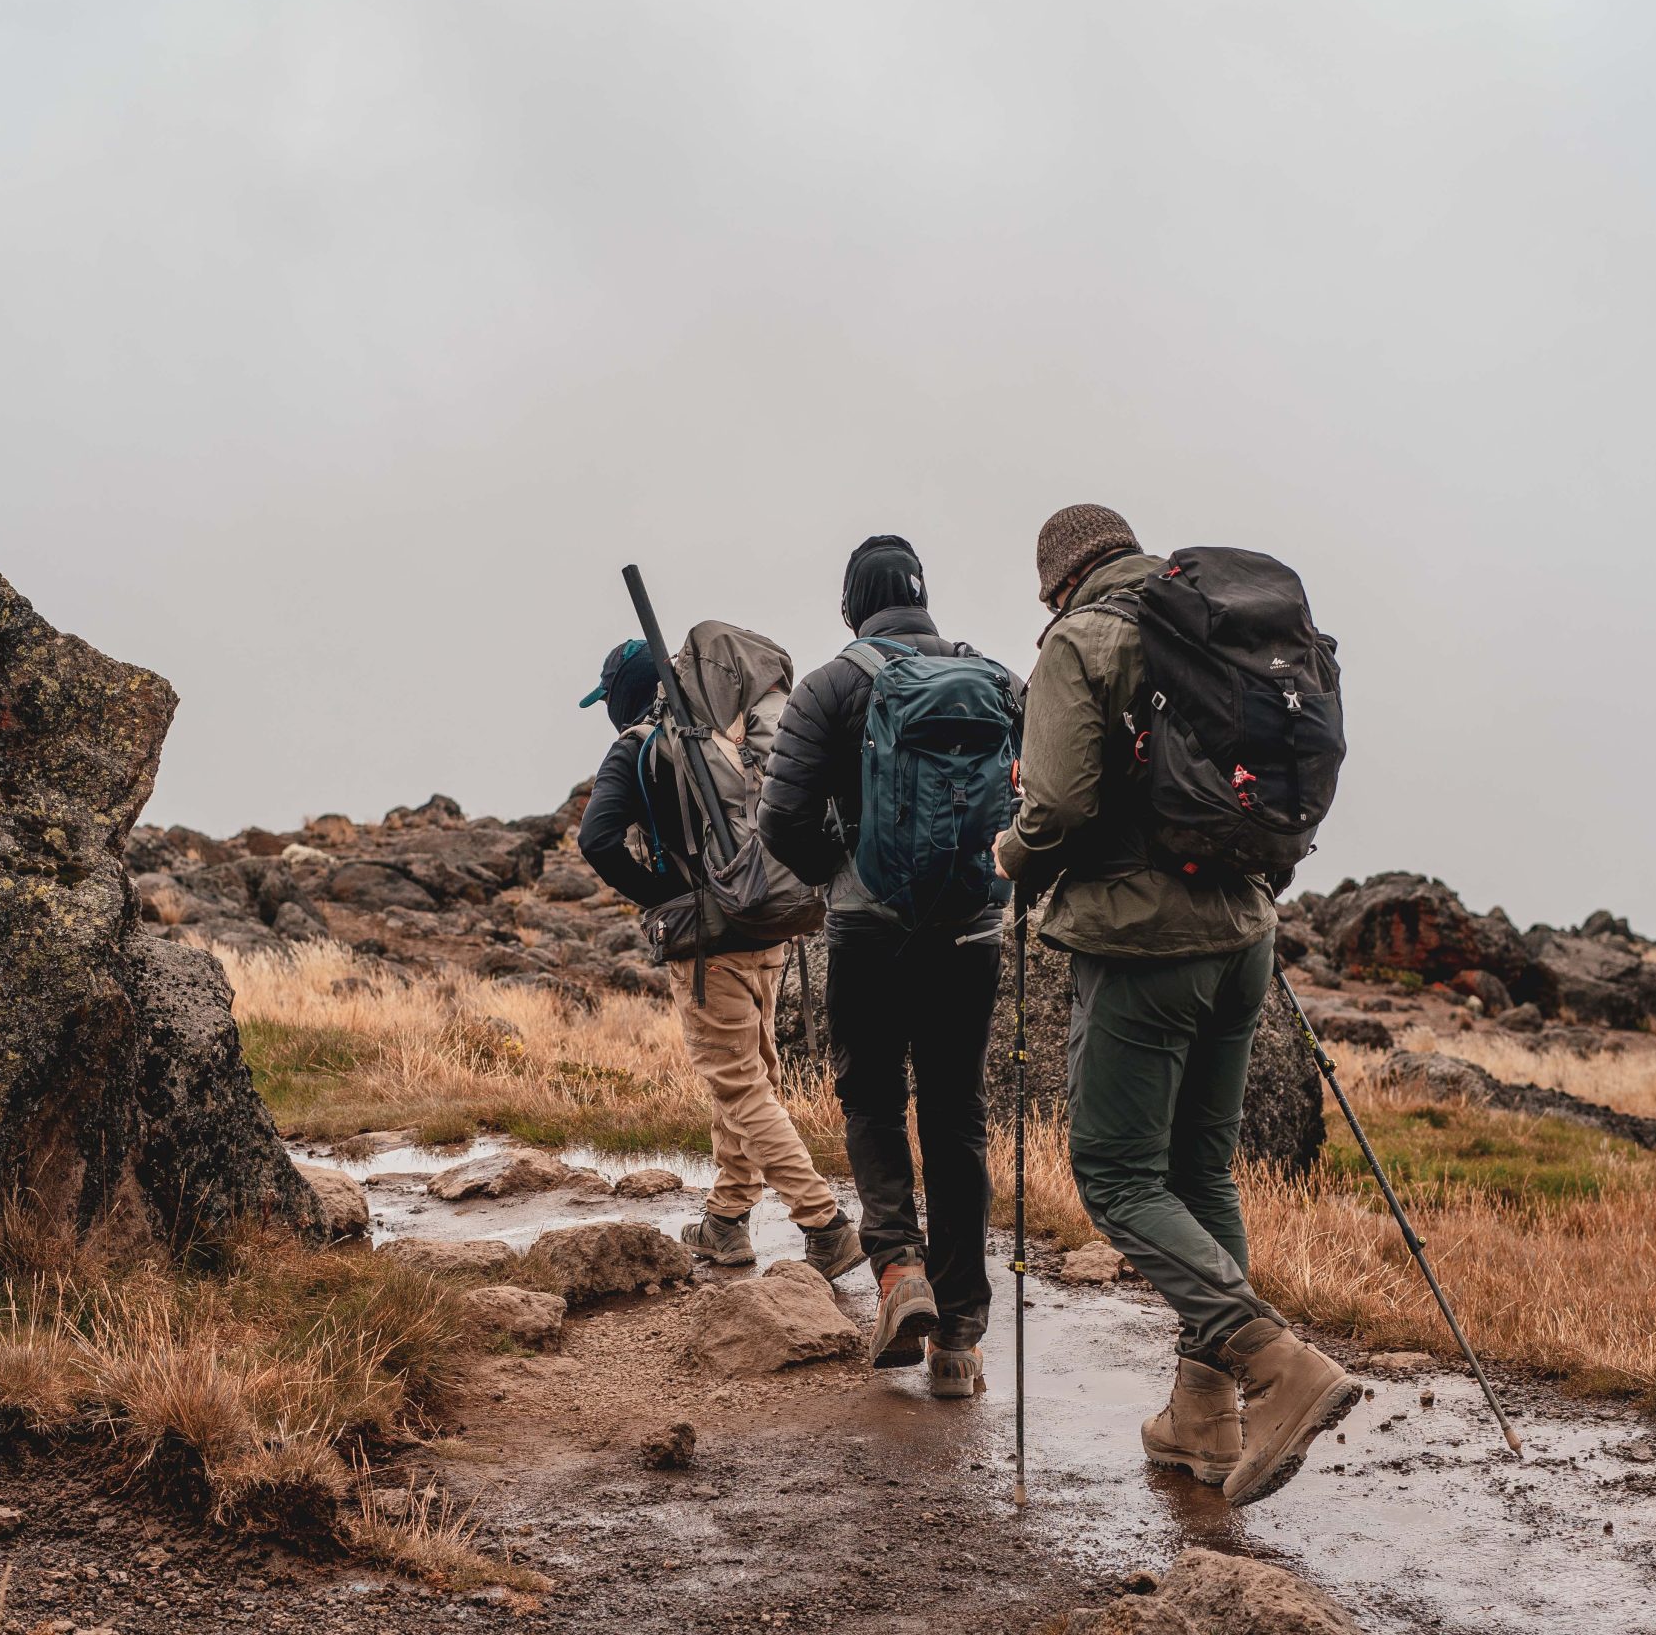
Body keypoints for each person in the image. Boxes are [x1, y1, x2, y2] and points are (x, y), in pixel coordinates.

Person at [992, 504, 1360, 1505]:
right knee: (1200, 1171)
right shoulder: (1202, 622)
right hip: (1245, 934)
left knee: (1115, 1174)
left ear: (1057, 582)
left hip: (1144, 938)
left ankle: (1275, 1366)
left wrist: (1011, 853)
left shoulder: (1082, 639)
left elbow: (1059, 805)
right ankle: (1202, 1417)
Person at [758, 536, 1020, 1398]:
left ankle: (900, 1271)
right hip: (972, 932)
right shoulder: (995, 678)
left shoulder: (832, 685)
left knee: (872, 1096)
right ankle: (962, 1340)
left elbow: (783, 820)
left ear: (849, 608)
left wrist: (846, 869)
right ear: (923, 596)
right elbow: (1042, 791)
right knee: (957, 1114)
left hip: (868, 929)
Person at [575, 638, 864, 1282]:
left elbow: (595, 840)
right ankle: (727, 1221)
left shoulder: (639, 746)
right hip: (768, 927)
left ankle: (826, 1225)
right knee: (747, 1075)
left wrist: (663, 899)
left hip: (707, 944)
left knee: (737, 1084)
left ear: (625, 694)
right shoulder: (730, 738)